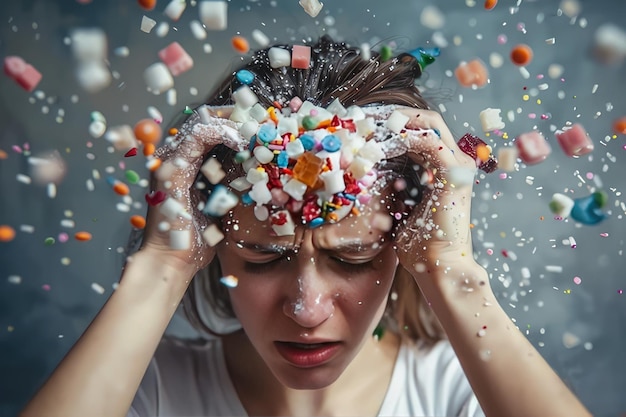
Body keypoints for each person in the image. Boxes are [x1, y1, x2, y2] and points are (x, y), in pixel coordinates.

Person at [20, 36, 592, 417]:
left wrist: (455, 276)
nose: (307, 309)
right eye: (263, 257)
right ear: (213, 245)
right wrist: (160, 268)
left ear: (403, 242)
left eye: (356, 257)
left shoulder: (465, 389)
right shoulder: (145, 390)